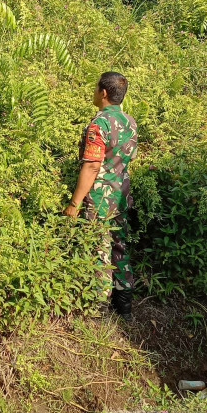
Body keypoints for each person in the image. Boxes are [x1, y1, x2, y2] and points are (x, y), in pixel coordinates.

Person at [63, 71, 138, 321]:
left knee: (98, 249)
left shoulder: (100, 124)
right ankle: (124, 305)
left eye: (96, 87)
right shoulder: (130, 122)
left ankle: (98, 307)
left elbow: (92, 166)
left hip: (99, 197)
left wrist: (74, 203)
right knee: (119, 246)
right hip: (121, 195)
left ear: (103, 92)